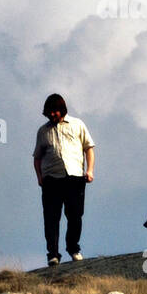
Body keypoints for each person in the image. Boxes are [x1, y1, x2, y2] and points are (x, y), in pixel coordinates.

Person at [32, 93, 95, 266]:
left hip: (75, 177)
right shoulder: (43, 131)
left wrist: (89, 170)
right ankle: (53, 254)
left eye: (55, 112)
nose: (52, 115)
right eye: (49, 113)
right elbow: (37, 157)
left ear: (62, 110)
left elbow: (89, 147)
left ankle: (73, 248)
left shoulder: (77, 124)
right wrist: (39, 177)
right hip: (51, 179)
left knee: (75, 215)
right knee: (51, 218)